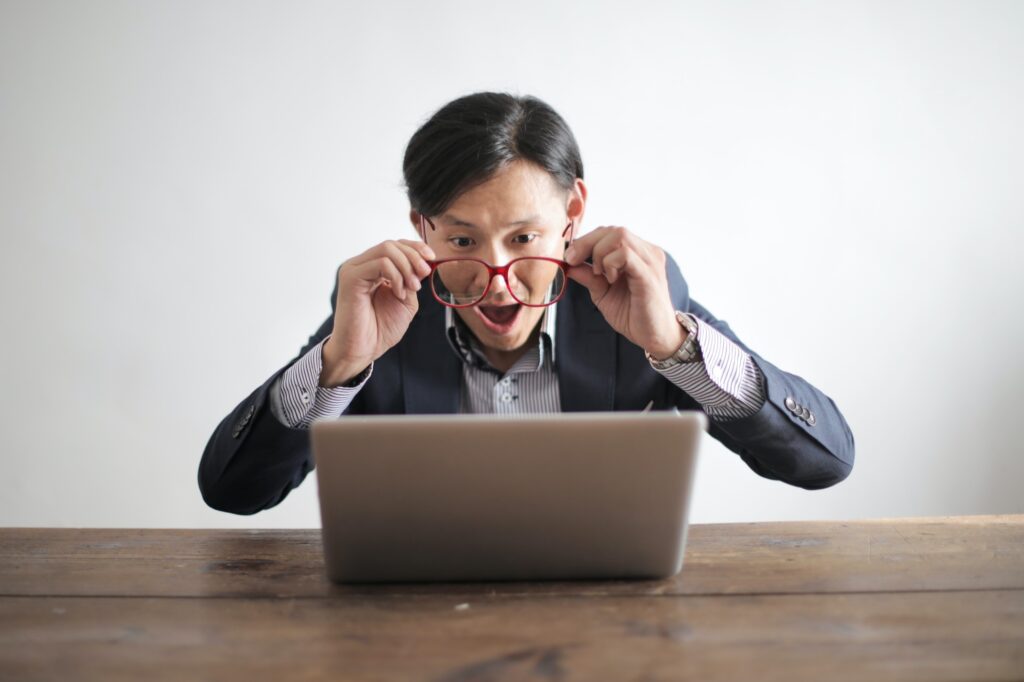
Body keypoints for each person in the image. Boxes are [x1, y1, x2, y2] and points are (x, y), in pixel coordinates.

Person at [199, 91, 855, 516]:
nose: (497, 277)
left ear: (572, 215)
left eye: (524, 238)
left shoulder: (639, 297)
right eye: (461, 239)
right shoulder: (384, 312)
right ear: (421, 228)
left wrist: (674, 348)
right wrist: (339, 364)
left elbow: (825, 462)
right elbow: (232, 492)